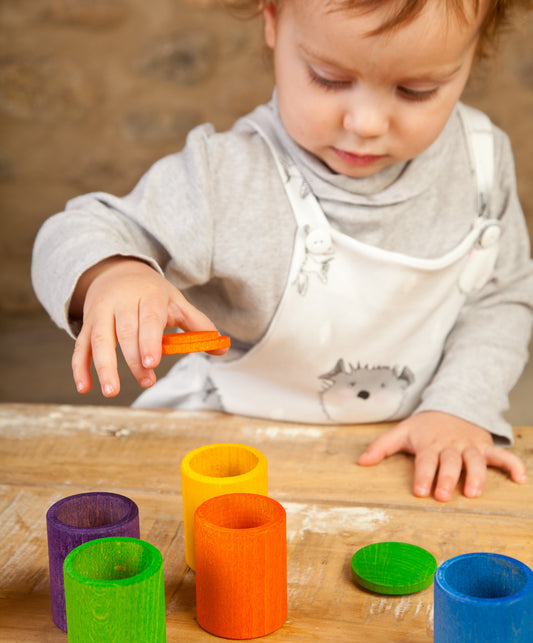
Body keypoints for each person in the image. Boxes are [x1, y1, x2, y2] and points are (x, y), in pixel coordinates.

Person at [32, 0, 533, 502]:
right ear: (272, 21)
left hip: (393, 462)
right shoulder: (226, 175)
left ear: (472, 55)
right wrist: (114, 274)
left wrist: (459, 407)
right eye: (329, 78)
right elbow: (74, 231)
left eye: (416, 90)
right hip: (220, 455)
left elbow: (501, 299)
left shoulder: (482, 165)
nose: (365, 122)